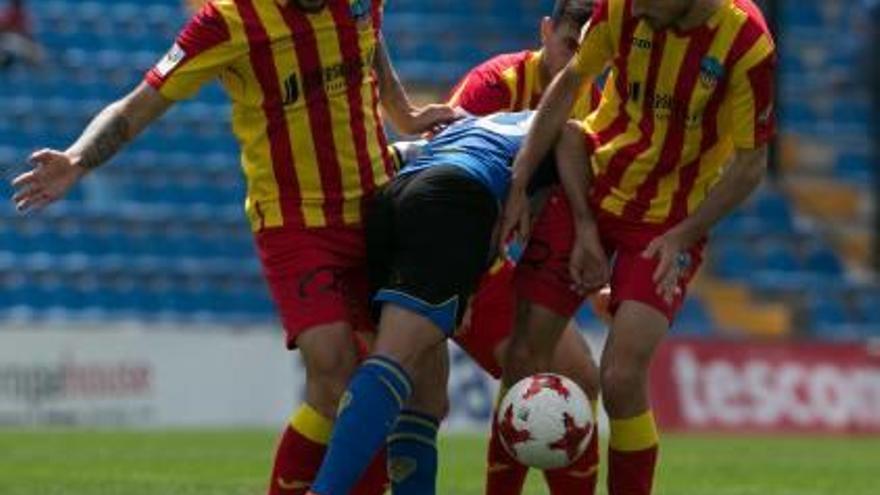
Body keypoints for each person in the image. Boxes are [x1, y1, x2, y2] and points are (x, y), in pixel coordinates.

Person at [10, 1, 458, 495]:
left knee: (422, 379)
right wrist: (77, 159)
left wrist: (401, 110)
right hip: (295, 222)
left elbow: (370, 40)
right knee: (335, 377)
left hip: (378, 203)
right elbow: (139, 104)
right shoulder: (228, 21)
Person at [501, 0, 777, 494]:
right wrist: (522, 181)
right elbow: (568, 87)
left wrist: (683, 235)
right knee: (523, 355)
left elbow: (751, 163)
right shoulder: (622, 8)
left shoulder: (746, 42)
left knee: (622, 378)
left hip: (669, 223)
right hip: (591, 184)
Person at [303, 110, 596, 495]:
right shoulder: (566, 135)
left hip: (396, 198)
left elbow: (405, 153)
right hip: (454, 200)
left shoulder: (488, 123)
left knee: (424, 395)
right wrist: (585, 223)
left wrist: (467, 283)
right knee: (395, 358)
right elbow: (559, 148)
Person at [444, 1, 607, 493]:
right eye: (567, 45)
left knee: (582, 379)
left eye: (589, 51)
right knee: (528, 368)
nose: (575, 61)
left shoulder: (593, 103)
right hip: (460, 257)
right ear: (545, 30)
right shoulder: (496, 84)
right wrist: (459, 282)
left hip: (507, 262)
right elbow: (445, 182)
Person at [0, 0, 42, 68]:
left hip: (22, 42)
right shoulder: (5, 13)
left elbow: (30, 33)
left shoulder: (26, 15)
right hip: (8, 41)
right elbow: (2, 30)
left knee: (37, 53)